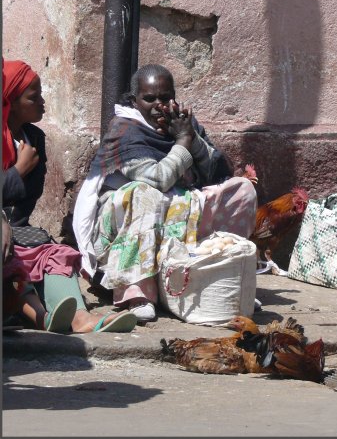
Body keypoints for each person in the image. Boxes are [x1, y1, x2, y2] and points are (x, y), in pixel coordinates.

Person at [72, 64, 257, 322]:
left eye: (165, 97)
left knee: (242, 190)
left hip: (181, 206)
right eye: (149, 98)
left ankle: (220, 277)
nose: (158, 104)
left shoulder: (181, 122)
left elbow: (217, 170)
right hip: (131, 217)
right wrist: (182, 143)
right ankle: (137, 292)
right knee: (143, 193)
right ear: (135, 100)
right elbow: (157, 179)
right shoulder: (125, 130)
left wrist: (192, 138)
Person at [2, 59, 137, 333]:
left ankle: (78, 317)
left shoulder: (34, 139)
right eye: (34, 97)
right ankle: (42, 317)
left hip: (17, 231)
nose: (43, 102)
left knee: (56, 253)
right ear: (12, 102)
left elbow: (28, 200)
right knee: (12, 258)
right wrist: (18, 170)